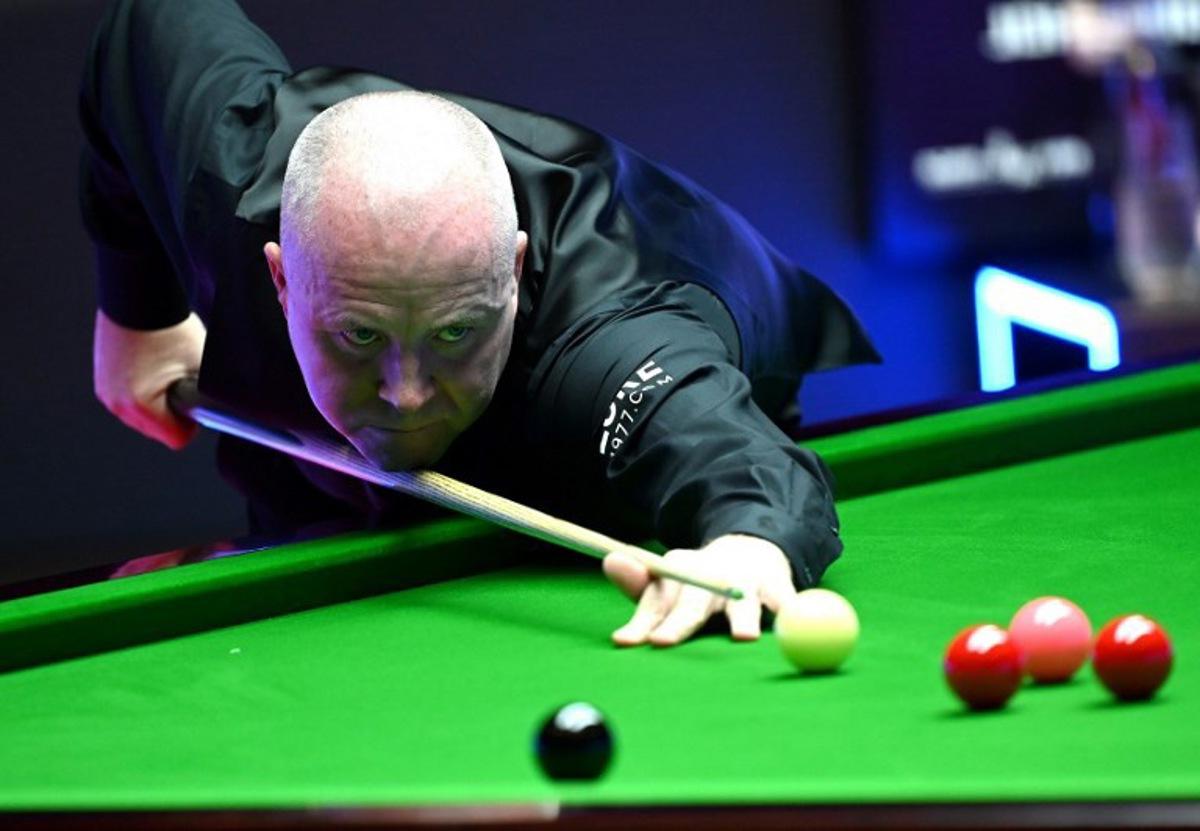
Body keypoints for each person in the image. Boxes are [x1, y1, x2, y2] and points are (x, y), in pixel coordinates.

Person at [80, 0, 880, 648]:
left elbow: (742, 463)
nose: (406, 393)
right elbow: (141, 26)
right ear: (282, 279)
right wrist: (138, 312)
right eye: (359, 336)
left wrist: (747, 540)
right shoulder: (227, 176)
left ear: (513, 275)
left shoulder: (608, 347)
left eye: (454, 335)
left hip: (639, 347)